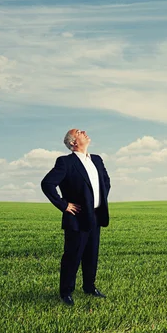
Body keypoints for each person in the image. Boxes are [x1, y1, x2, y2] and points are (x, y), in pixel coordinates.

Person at [41, 129, 111, 306]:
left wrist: (98, 201)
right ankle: (66, 292)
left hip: (95, 215)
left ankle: (89, 287)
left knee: (91, 254)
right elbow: (47, 184)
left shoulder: (96, 159)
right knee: (73, 256)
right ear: (73, 143)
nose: (84, 132)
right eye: (79, 132)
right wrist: (64, 205)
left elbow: (106, 182)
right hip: (77, 217)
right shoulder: (65, 162)